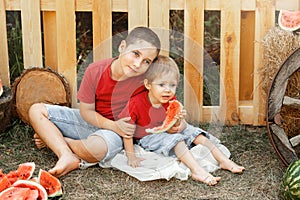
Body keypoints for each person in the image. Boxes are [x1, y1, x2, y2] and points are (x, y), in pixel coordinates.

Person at [28, 26, 161, 177]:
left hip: (115, 135)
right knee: (36, 110)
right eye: (135, 54)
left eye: (146, 61)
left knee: (96, 150)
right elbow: (86, 111)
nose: (138, 64)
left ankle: (54, 139)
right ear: (122, 47)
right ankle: (66, 154)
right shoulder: (95, 70)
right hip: (94, 120)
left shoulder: (145, 80)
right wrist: (113, 125)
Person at [118, 55, 245, 186]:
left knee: (196, 133)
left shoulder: (170, 99)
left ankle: (224, 160)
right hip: (147, 136)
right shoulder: (136, 103)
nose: (167, 90)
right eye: (161, 84)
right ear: (148, 84)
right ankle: (197, 170)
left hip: (167, 130)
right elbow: (127, 131)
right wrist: (131, 155)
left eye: (172, 85)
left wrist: (178, 122)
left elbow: (178, 126)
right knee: (177, 141)